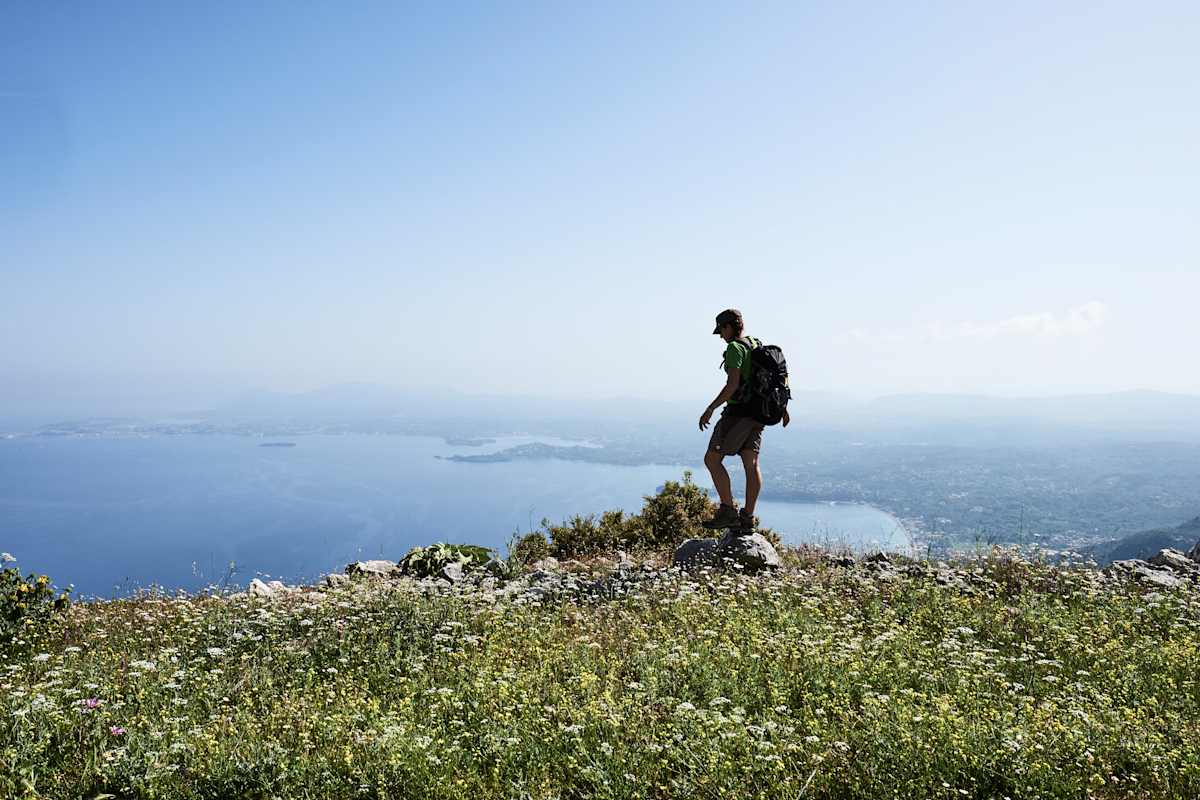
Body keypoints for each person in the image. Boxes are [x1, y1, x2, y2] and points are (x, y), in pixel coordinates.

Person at [699, 309, 789, 532]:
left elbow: (732, 385)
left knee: (712, 459)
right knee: (752, 464)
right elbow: (773, 379)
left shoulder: (735, 348)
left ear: (729, 327)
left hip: (738, 414)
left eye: (721, 331)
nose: (721, 336)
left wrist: (710, 408)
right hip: (760, 414)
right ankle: (747, 517)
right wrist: (783, 408)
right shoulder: (755, 343)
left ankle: (728, 511)